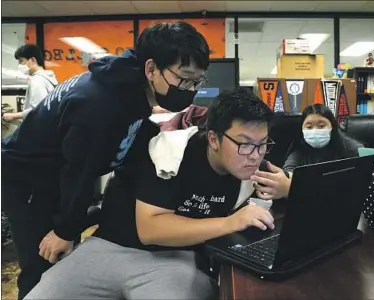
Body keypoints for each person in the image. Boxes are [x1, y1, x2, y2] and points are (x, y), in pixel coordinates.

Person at [1, 21, 209, 300]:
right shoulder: (98, 104)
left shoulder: (129, 86)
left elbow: (134, 134)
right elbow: (79, 172)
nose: (190, 88)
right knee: (43, 261)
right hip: (27, 182)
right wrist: (65, 230)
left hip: (62, 173)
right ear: (151, 69)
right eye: (184, 79)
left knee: (64, 244)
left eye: (198, 81)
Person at [24, 88, 275, 300]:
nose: (254, 155)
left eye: (262, 144)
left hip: (176, 260)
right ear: (213, 139)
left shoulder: (253, 166)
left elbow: (290, 183)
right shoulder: (171, 152)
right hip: (112, 246)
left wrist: (286, 186)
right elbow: (151, 230)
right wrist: (230, 223)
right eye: (244, 144)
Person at [251, 104, 363, 200]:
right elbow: (288, 174)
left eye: (321, 125)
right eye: (309, 127)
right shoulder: (299, 150)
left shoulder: (351, 148)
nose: (315, 130)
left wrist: (295, 187)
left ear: (332, 127)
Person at [2, 44, 58, 122]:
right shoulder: (47, 78)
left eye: (21, 61)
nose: (19, 65)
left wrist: (14, 116)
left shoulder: (38, 80)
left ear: (33, 60)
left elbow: (38, 110)